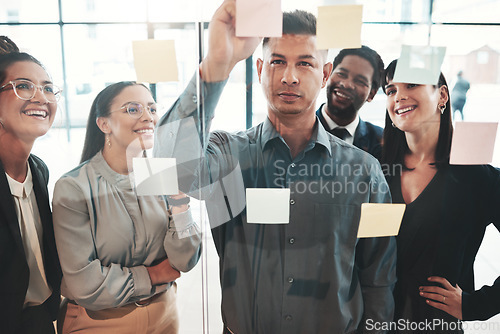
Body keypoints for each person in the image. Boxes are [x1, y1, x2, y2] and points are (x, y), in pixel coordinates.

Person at [154, 1, 397, 333]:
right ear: (259, 68)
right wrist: (216, 64)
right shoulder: (229, 155)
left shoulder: (365, 172)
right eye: (277, 61)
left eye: (305, 64)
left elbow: (378, 276)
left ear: (325, 74)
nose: (289, 77)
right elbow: (170, 166)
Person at [52, 81, 202, 333]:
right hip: (100, 323)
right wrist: (153, 275)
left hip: (164, 315)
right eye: (133, 109)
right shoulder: (74, 187)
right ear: (104, 124)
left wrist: (180, 202)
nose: (148, 117)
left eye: (152, 109)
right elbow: (86, 285)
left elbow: (185, 260)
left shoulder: (159, 174)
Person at [382, 59, 500, 333]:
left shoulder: (477, 177)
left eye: (411, 84)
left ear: (443, 95)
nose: (399, 96)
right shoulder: (374, 170)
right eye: (390, 90)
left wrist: (476, 305)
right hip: (372, 322)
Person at [0, 36, 62, 334]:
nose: (41, 98)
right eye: (23, 85)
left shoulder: (38, 170)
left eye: (48, 88)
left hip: (37, 319)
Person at [316, 45, 384, 160]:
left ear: (372, 94)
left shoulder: (382, 141)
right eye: (341, 74)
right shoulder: (298, 132)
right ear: (327, 75)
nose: (346, 84)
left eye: (360, 81)